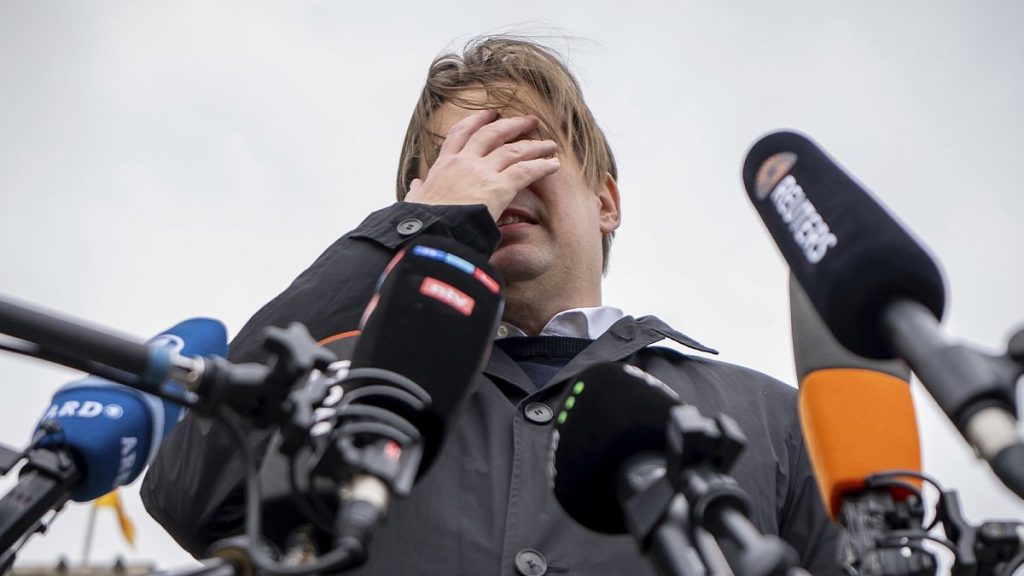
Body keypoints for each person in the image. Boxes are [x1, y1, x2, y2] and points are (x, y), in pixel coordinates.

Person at [142, 36, 843, 575]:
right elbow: (189, 492)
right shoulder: (342, 395)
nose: (497, 177)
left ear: (606, 202)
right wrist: (420, 228)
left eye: (525, 145)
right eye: (461, 159)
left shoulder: (774, 420)